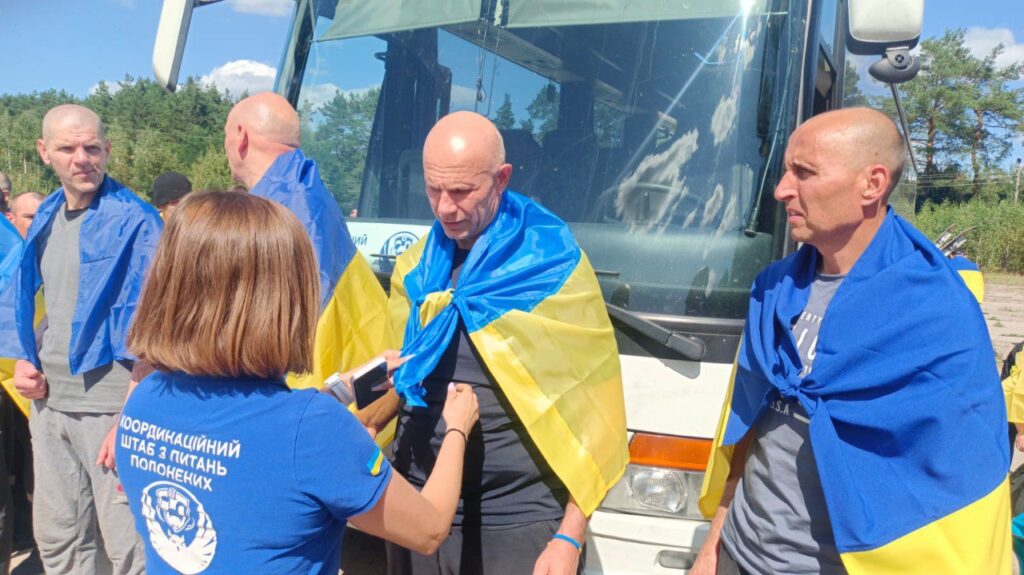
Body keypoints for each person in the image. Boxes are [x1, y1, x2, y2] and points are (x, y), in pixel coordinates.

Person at [694, 108, 1010, 574]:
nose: (781, 189)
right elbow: (748, 425)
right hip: (741, 554)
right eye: (785, 171)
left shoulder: (936, 311)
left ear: (872, 184)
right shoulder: (773, 290)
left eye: (804, 173)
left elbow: (962, 473)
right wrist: (714, 541)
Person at [115, 190, 480, 574]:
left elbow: (259, 431)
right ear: (280, 299)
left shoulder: (145, 398)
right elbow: (429, 529)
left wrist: (353, 385)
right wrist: (457, 427)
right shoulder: (314, 431)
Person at [380, 111, 628, 575]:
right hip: (416, 503)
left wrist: (569, 536)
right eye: (433, 189)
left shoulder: (553, 267)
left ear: (502, 179)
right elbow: (399, 382)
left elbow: (596, 419)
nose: (445, 208)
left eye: (461, 191)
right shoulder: (415, 266)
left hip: (516, 517)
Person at [0, 104, 161, 574]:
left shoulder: (138, 222)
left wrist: (129, 417)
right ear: (44, 151)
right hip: (50, 406)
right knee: (60, 538)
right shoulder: (46, 215)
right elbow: (37, 300)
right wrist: (24, 359)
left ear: (107, 149)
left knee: (129, 547)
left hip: (111, 408)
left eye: (91, 147)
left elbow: (157, 329)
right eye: (67, 148)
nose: (81, 158)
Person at [223, 93, 392, 393]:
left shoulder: (267, 215)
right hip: (357, 388)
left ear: (241, 136)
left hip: (305, 399)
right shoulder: (312, 195)